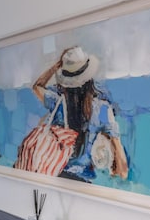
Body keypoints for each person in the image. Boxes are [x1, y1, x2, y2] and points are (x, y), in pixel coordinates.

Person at [32, 46, 128, 181]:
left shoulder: (58, 104)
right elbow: (122, 169)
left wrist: (57, 66)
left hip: (57, 175)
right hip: (83, 181)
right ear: (89, 79)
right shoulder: (102, 110)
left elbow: (37, 86)